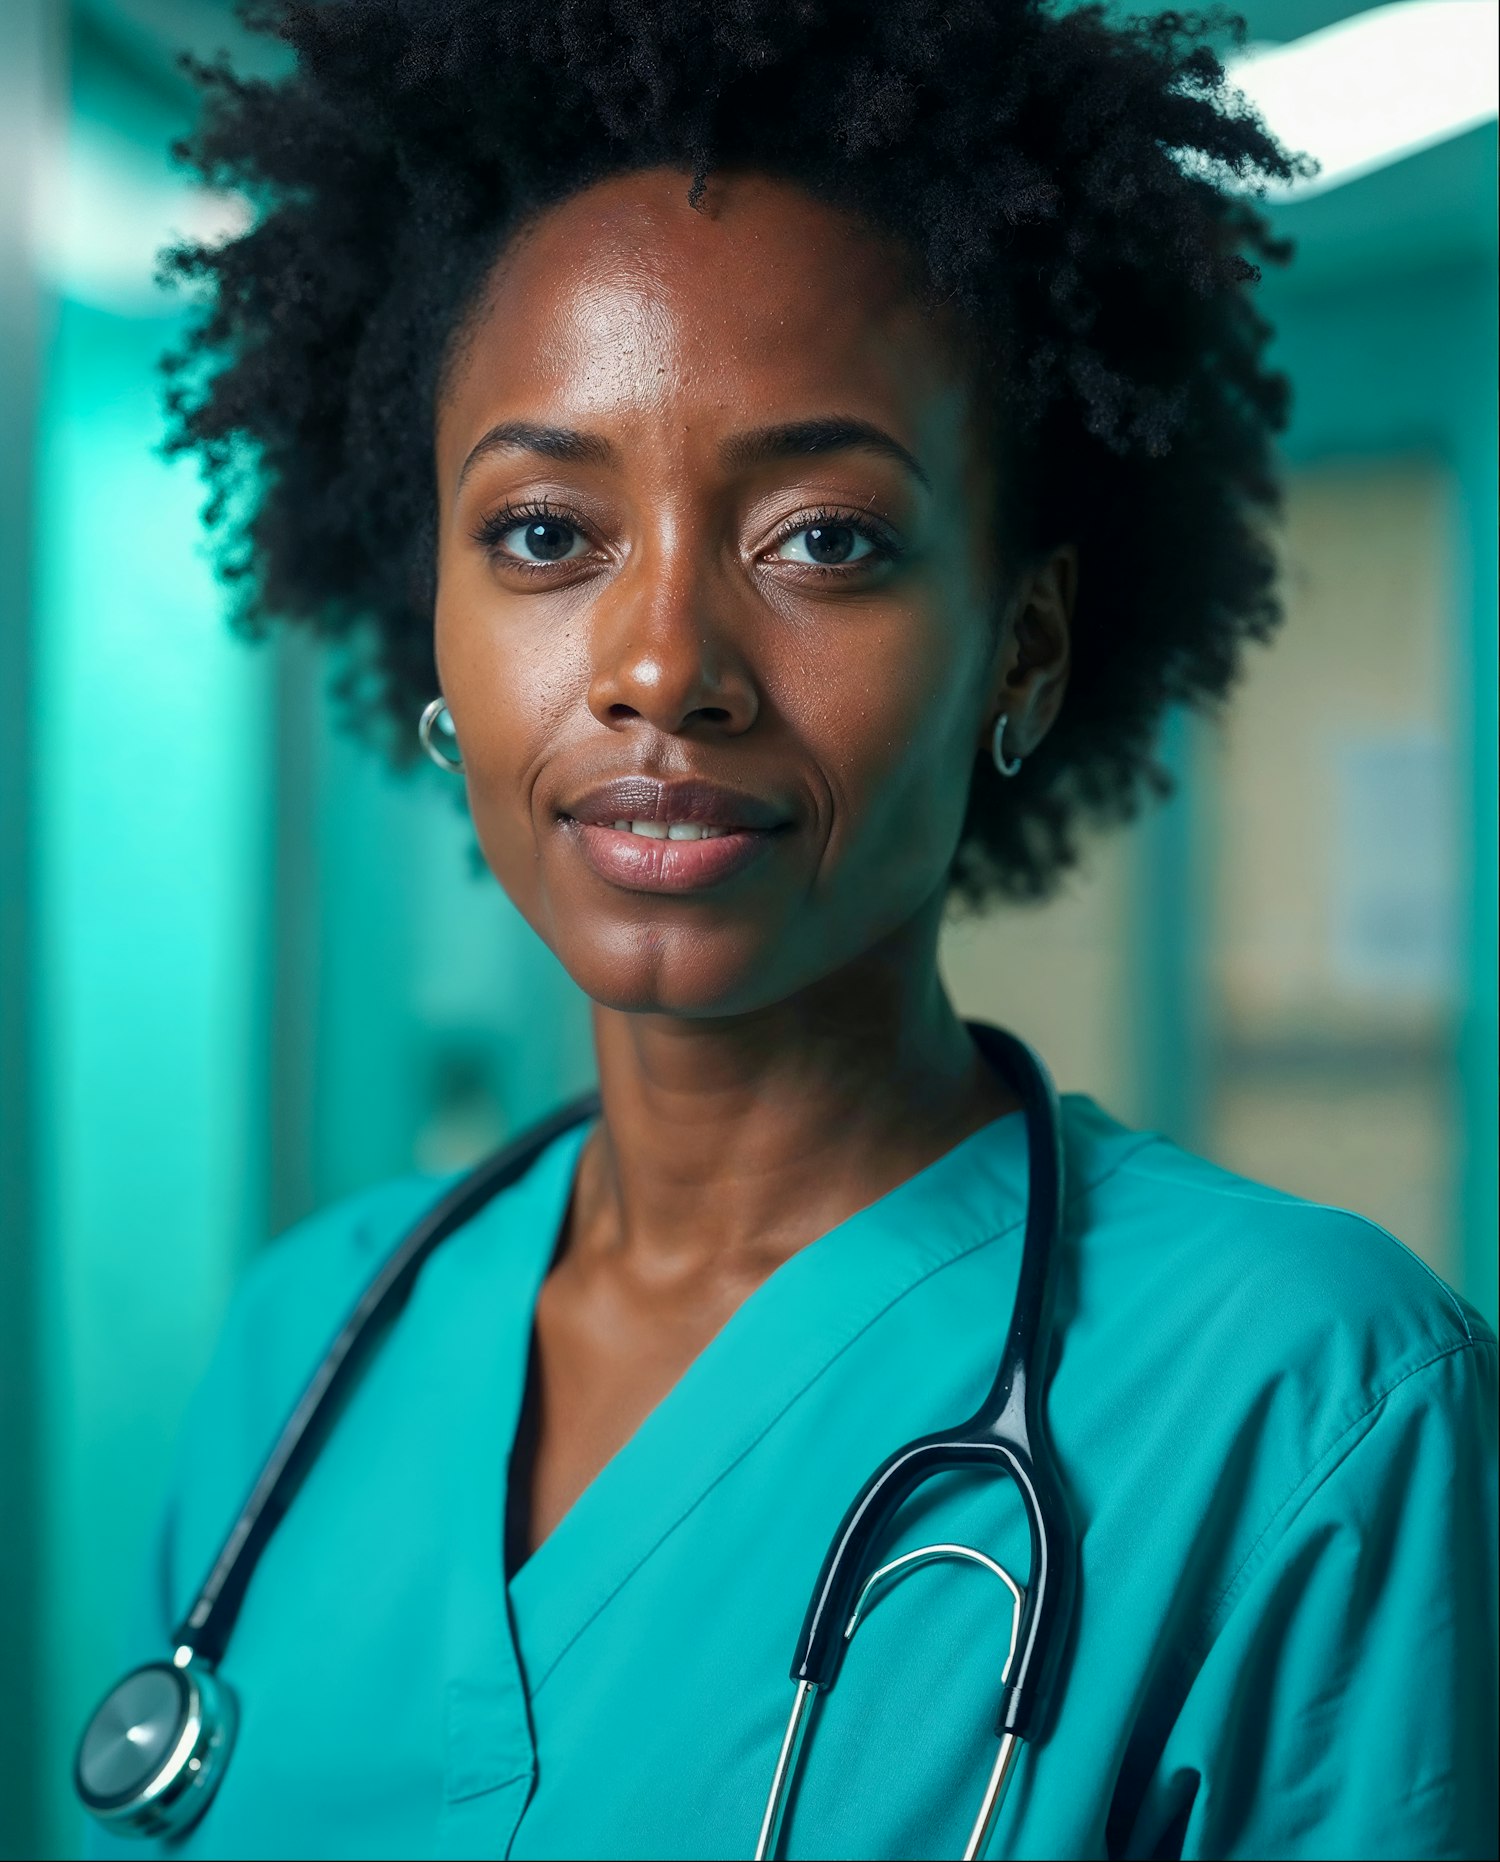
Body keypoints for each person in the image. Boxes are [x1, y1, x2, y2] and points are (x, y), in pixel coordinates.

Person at [95, 1, 1497, 1856]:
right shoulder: (308, 1343)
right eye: (541, 535)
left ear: (1028, 643)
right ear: (421, 603)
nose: (665, 668)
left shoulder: (1307, 1406)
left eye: (824, 537)